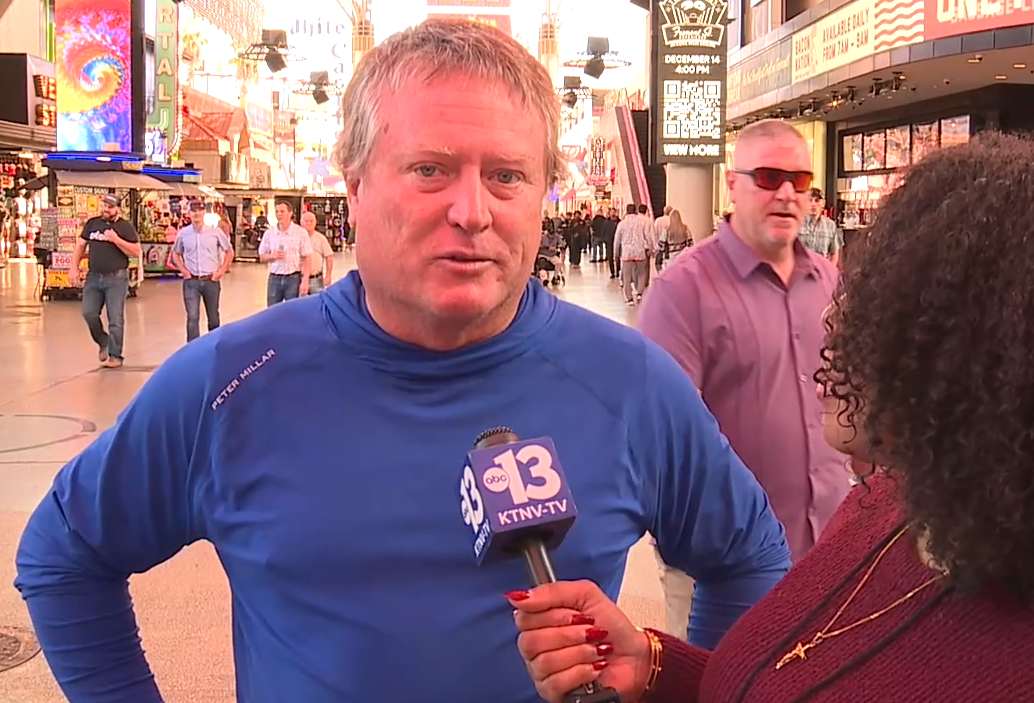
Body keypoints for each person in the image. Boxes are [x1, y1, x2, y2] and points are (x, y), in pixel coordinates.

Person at [13, 18, 791, 703]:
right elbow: (64, 552)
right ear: (354, 183)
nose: (472, 210)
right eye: (430, 169)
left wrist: (689, 681)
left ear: (543, 193)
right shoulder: (230, 381)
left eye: (507, 175)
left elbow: (750, 557)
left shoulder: (631, 383)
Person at [511, 134, 1034, 703]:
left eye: (895, 308)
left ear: (1014, 366)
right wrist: (658, 666)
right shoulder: (889, 506)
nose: (837, 332)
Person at [638, 120, 848, 640]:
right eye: (769, 177)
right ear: (733, 185)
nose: (785, 194)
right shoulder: (682, 291)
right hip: (728, 570)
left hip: (832, 553)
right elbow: (664, 437)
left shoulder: (830, 283)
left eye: (798, 182)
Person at [69, 193, 140, 368]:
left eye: (109, 207)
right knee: (89, 313)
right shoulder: (93, 224)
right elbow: (80, 245)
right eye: (104, 206)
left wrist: (116, 240)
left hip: (116, 278)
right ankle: (103, 340)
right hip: (94, 276)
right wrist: (73, 267)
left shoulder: (125, 227)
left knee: (115, 317)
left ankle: (115, 356)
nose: (105, 210)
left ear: (118, 209)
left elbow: (136, 251)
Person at [171, 200, 234, 342]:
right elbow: (175, 253)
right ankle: (193, 349)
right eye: (193, 211)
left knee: (213, 316)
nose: (197, 214)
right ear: (189, 213)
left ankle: (215, 345)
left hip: (210, 280)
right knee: (192, 317)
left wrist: (222, 271)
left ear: (204, 213)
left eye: (199, 210)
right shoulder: (183, 234)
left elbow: (229, 251)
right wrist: (183, 270)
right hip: (191, 281)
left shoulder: (215, 233)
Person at [257, 200, 311, 305]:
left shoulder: (300, 233)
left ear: (290, 213)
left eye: (282, 211)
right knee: (272, 312)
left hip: (293, 278)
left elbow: (307, 257)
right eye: (277, 212)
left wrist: (305, 280)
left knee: (292, 311)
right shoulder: (269, 234)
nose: (279, 214)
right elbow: (262, 256)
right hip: (274, 278)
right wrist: (273, 256)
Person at [300, 211, 335, 293]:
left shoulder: (321, 238)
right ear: (301, 222)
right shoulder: (298, 238)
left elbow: (329, 256)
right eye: (306, 221)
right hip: (299, 279)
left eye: (311, 221)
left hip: (316, 279)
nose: (309, 223)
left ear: (315, 222)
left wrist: (328, 275)